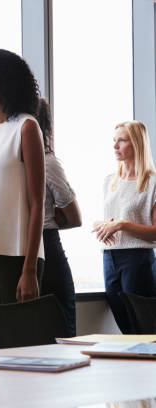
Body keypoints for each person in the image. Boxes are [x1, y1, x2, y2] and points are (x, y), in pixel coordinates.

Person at [0, 49, 45, 304]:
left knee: (18, 340)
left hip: (18, 257)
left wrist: (30, 269)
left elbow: (37, 203)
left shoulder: (26, 127)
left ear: (2, 82)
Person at [93, 121, 156, 334]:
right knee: (126, 328)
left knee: (142, 328)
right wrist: (102, 226)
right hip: (109, 258)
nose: (115, 146)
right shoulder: (109, 181)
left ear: (136, 144)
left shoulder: (151, 183)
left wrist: (122, 224)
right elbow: (111, 219)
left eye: (121, 140)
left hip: (137, 259)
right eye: (114, 140)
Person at [36, 98, 82, 336]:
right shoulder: (41, 161)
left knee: (59, 331)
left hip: (46, 244)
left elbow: (75, 218)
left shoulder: (47, 162)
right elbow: (71, 217)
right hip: (37, 243)